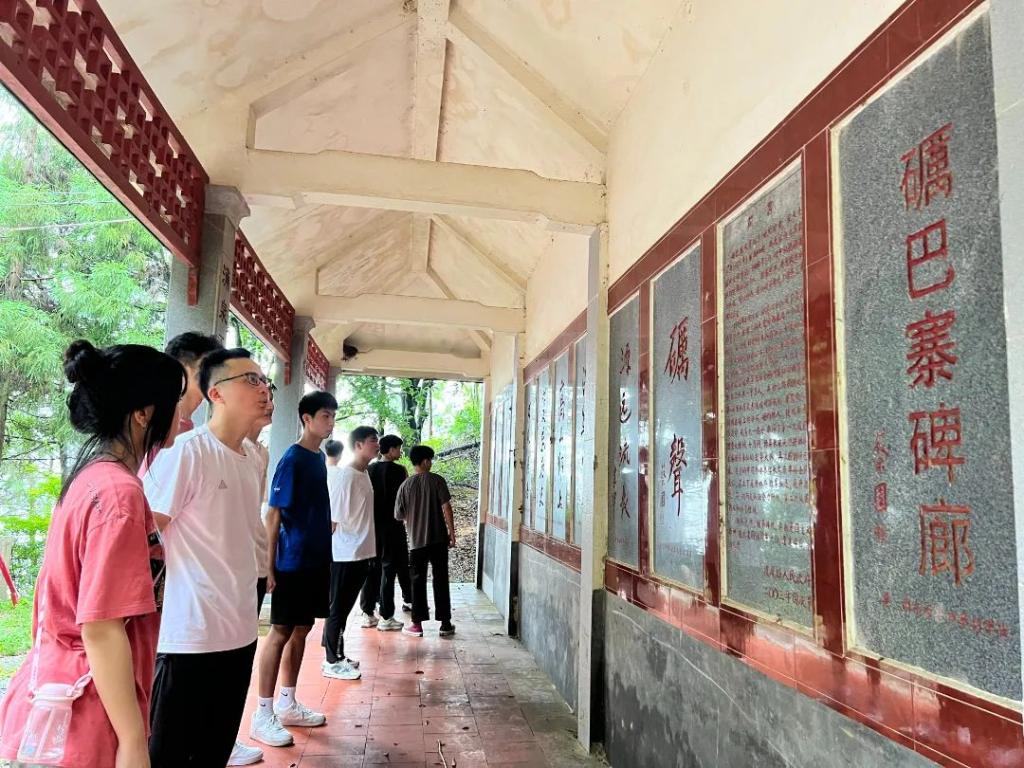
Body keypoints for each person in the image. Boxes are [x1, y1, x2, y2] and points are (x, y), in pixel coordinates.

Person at [0, 340, 184, 768]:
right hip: (86, 711)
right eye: (175, 401)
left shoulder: (90, 478)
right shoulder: (119, 493)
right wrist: (133, 743)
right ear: (144, 413)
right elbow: (101, 628)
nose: (184, 414)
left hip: (58, 694)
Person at [143, 348, 270, 767]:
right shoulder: (187, 452)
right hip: (190, 638)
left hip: (241, 632)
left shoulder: (252, 457)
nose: (264, 389)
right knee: (169, 756)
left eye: (264, 380)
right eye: (251, 380)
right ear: (216, 393)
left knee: (214, 753)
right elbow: (141, 534)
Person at [250, 392, 337, 748]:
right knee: (281, 631)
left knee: (303, 628)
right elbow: (274, 514)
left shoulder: (318, 459)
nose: (330, 423)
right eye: (325, 416)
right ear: (306, 419)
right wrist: (269, 565)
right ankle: (262, 712)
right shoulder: (293, 458)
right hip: (292, 561)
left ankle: (288, 703)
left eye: (333, 416)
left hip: (316, 559)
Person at [227, 393, 276, 767]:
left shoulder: (260, 452)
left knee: (240, 659)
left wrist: (265, 565)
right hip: (224, 574)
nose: (266, 398)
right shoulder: (207, 449)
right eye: (255, 387)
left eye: (269, 391)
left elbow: (256, 512)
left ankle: (228, 736)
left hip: (252, 565)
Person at [322, 428, 379, 679]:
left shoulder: (364, 473)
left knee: (344, 608)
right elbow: (333, 520)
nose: (377, 444)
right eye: (372, 441)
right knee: (337, 608)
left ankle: (338, 654)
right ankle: (331, 661)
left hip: (362, 552)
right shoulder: (346, 476)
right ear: (358, 445)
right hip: (345, 554)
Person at [394, 445, 457, 638]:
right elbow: (447, 508)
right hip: (438, 540)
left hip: (416, 542)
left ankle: (417, 625)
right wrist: (452, 533)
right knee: (441, 580)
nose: (431, 463)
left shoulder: (405, 486)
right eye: (430, 459)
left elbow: (398, 515)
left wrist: (414, 516)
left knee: (417, 582)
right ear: (425, 461)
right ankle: (445, 624)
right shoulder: (437, 480)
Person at [358, 434, 411, 631]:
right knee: (389, 569)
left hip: (372, 526)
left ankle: (367, 613)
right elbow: (404, 499)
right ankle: (386, 616)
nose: (400, 452)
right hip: (393, 526)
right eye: (398, 448)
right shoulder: (400, 471)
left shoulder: (368, 469)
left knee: (371, 568)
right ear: (391, 449)